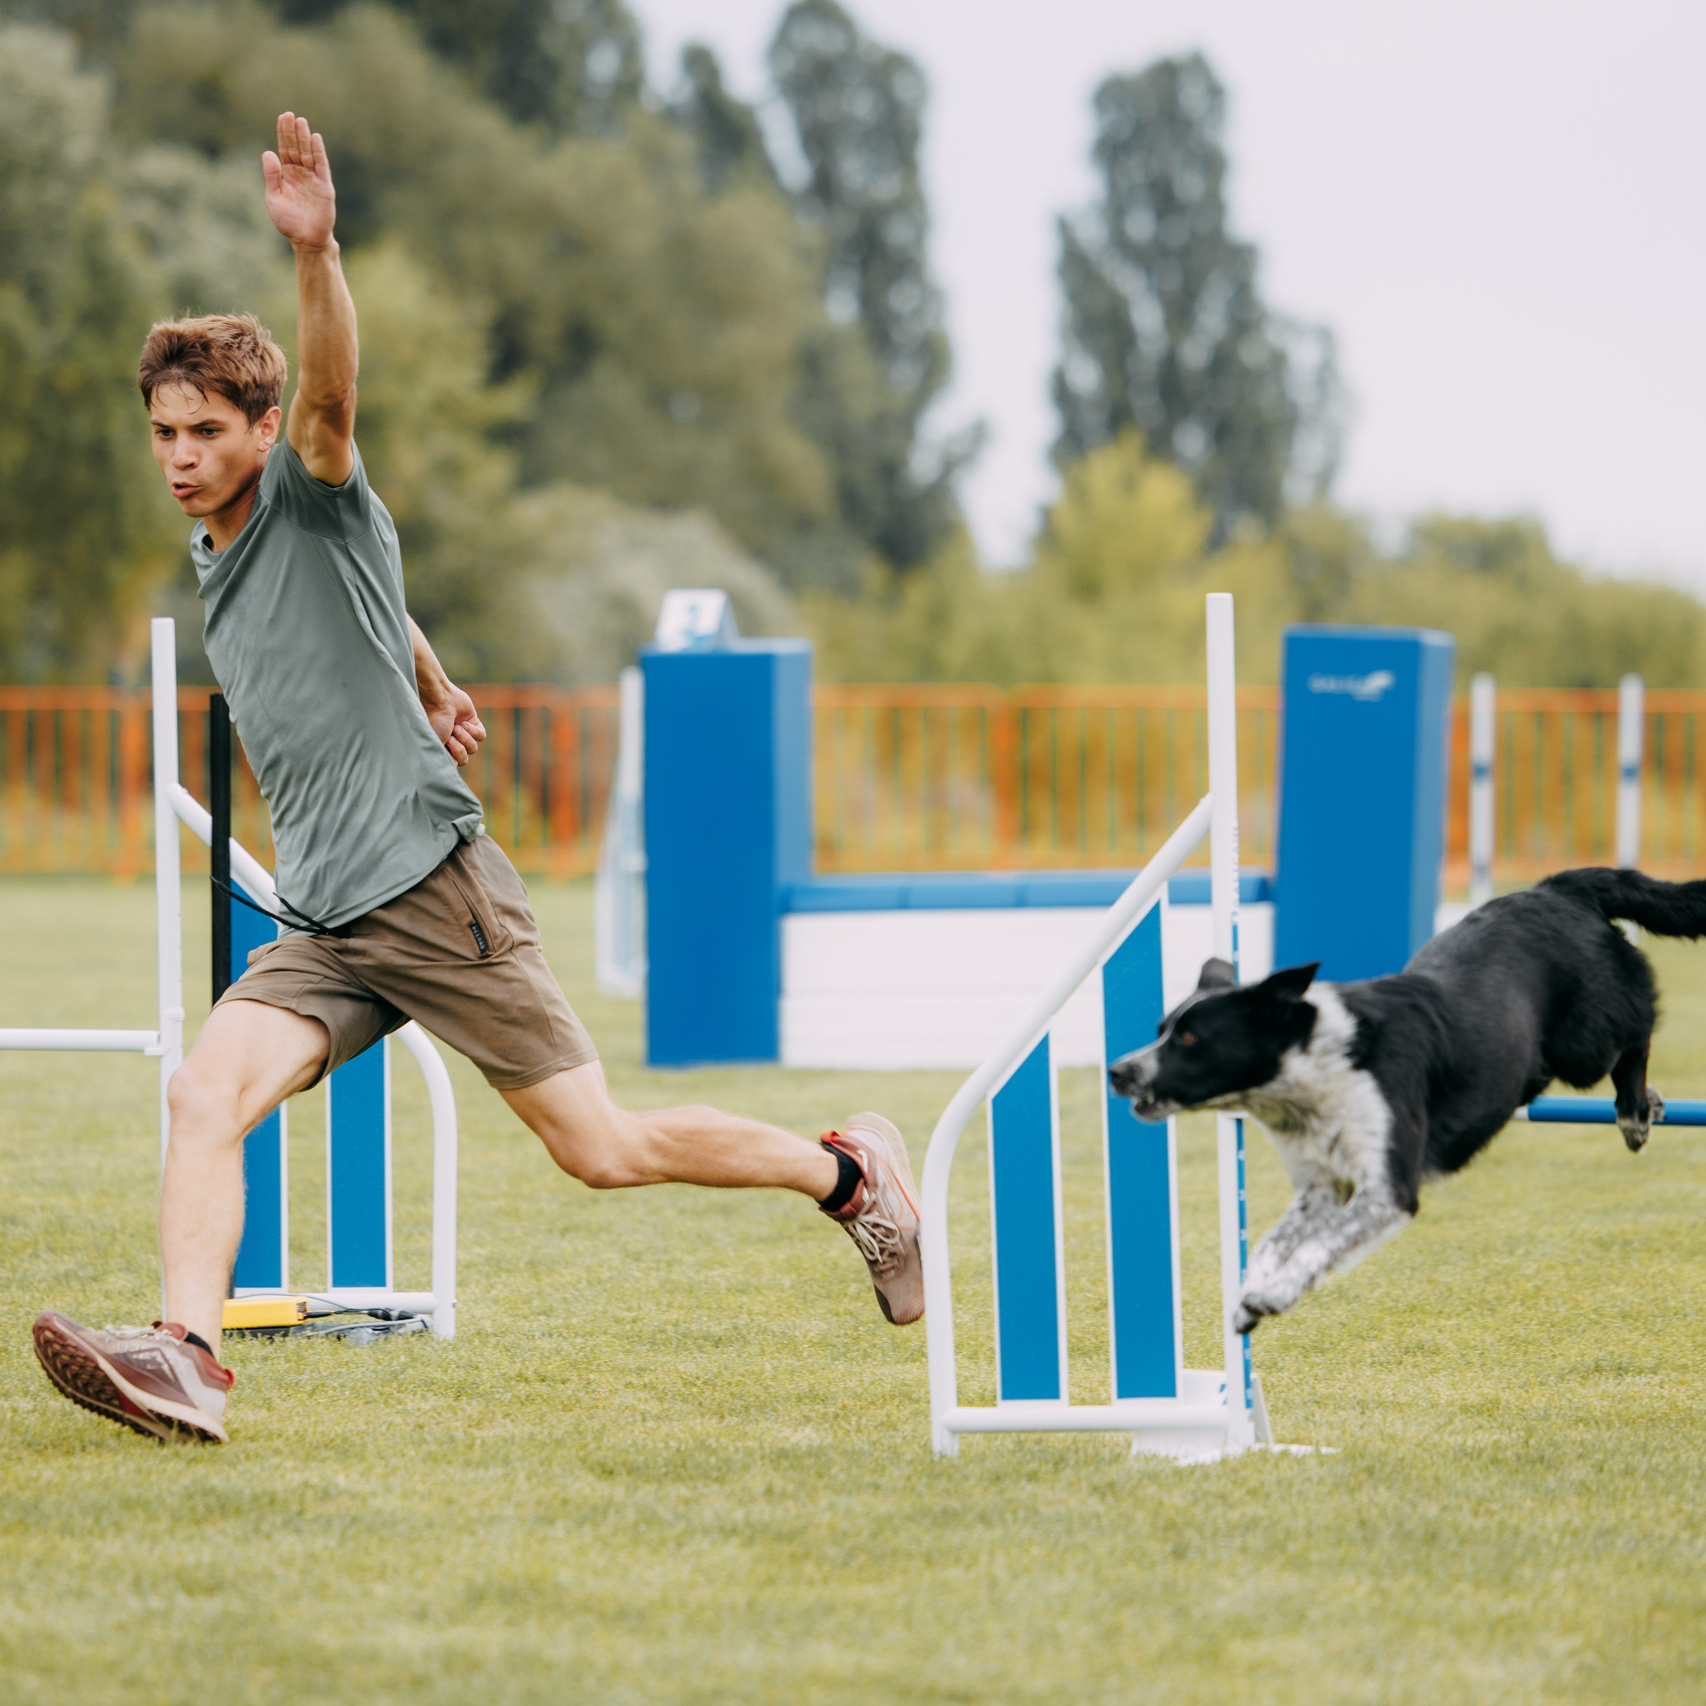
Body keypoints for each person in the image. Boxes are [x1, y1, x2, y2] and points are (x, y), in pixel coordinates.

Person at [32, 115, 922, 1446]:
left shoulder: (309, 485)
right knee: (201, 1092)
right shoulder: (225, 545)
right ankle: (186, 1356)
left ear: (264, 430)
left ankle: (849, 1177)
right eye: (162, 430)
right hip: (329, 916)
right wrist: (435, 679)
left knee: (599, 1148)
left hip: (429, 888)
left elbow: (336, 403)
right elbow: (374, 605)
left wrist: (319, 252)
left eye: (205, 430)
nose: (177, 455)